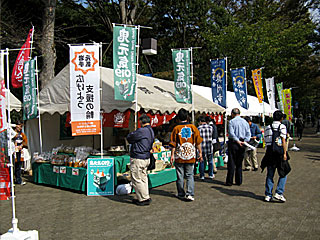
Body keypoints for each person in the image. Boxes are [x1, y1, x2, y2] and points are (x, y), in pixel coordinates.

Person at [170, 108, 203, 201]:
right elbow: (198, 142)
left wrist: (172, 155)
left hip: (179, 155)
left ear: (178, 118)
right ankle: (190, 194)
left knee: (180, 175)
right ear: (187, 117)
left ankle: (181, 193)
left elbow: (173, 143)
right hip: (190, 155)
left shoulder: (176, 128)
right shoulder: (193, 127)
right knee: (189, 175)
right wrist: (200, 152)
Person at [126, 114, 154, 206]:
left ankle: (142, 199)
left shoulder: (142, 131)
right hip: (146, 157)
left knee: (137, 179)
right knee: (143, 178)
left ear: (141, 122)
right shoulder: (151, 130)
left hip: (138, 157)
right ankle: (145, 196)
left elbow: (129, 137)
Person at [261, 110, 288, 202]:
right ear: (281, 118)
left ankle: (268, 194)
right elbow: (283, 141)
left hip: (269, 153)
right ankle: (279, 192)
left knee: (270, 174)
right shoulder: (282, 127)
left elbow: (266, 140)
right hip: (279, 153)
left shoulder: (268, 127)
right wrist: (285, 153)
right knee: (284, 173)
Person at [226, 108, 251, 186]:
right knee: (239, 163)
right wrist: (245, 141)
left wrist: (237, 141)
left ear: (233, 114)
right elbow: (248, 133)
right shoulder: (245, 122)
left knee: (231, 162)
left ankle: (229, 181)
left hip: (234, 143)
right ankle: (238, 180)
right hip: (242, 142)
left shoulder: (231, 122)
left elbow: (231, 133)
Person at [197, 116, 215, 180]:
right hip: (209, 146)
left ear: (200, 122)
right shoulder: (210, 127)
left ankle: (202, 175)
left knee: (202, 161)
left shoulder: (198, 128)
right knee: (210, 161)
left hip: (201, 147)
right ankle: (211, 174)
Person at [12, 121, 28, 185]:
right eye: (20, 126)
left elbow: (25, 142)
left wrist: (22, 145)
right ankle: (11, 180)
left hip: (20, 153)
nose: (20, 128)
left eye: (21, 126)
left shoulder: (22, 134)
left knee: (18, 167)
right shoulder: (12, 133)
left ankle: (18, 180)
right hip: (13, 152)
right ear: (16, 126)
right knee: (12, 166)